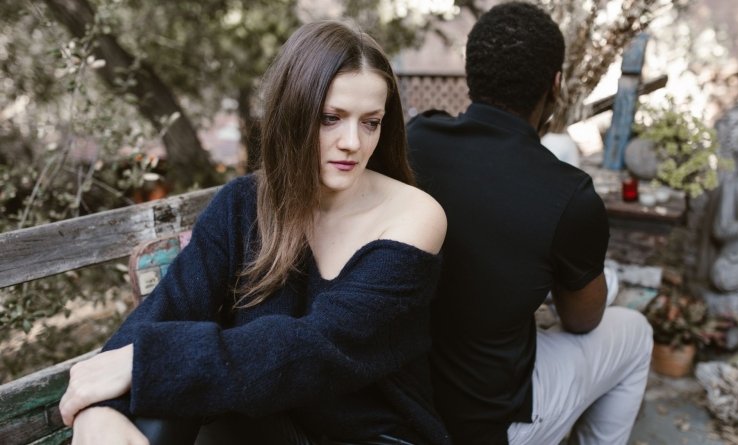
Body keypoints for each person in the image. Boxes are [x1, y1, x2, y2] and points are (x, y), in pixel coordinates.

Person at [59, 20, 450, 445]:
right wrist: (99, 411)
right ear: (292, 114)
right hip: (266, 428)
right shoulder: (243, 205)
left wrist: (145, 365)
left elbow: (318, 349)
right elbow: (166, 310)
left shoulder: (414, 216)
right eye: (330, 118)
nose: (353, 142)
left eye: (370, 122)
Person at [406, 2, 653, 444]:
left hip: (407, 404)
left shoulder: (415, 138)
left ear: (469, 75)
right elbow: (581, 320)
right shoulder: (568, 193)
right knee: (635, 333)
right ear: (555, 85)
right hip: (488, 425)